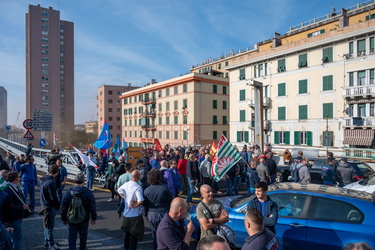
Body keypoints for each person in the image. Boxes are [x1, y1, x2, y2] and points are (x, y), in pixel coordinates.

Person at [61, 172, 97, 250]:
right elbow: (92, 206)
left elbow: (64, 207)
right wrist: (93, 217)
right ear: (84, 181)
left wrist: (63, 218)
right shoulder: (88, 192)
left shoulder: (68, 192)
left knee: (72, 238)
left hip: (71, 218)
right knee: (83, 237)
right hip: (83, 218)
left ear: (74, 181)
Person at [143, 169, 173, 250]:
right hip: (164, 213)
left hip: (152, 214)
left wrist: (146, 215)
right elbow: (170, 202)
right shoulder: (165, 188)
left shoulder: (147, 190)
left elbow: (145, 205)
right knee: (166, 234)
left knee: (154, 235)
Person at [117, 170, 144, 250]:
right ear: (138, 177)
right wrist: (136, 204)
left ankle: (126, 248)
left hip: (126, 213)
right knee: (134, 235)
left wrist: (124, 197)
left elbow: (119, 190)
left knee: (127, 234)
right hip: (135, 214)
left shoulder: (126, 184)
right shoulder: (137, 187)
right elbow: (141, 200)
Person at [3, 171, 30, 250]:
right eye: (18, 177)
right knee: (17, 237)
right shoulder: (8, 191)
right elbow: (9, 207)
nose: (19, 178)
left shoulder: (15, 188)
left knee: (13, 237)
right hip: (14, 217)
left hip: (17, 216)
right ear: (16, 179)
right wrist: (22, 207)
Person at [40, 164, 61, 250]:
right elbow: (53, 197)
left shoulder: (44, 179)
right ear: (56, 172)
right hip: (49, 205)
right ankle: (51, 244)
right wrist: (58, 205)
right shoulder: (51, 182)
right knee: (49, 226)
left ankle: (46, 241)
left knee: (46, 224)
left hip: (44, 204)